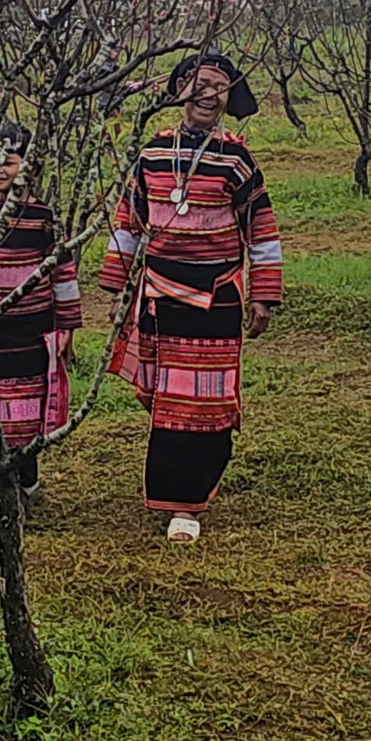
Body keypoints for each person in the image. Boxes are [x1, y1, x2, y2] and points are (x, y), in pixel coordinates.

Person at [99, 51, 283, 544]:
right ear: (180, 90)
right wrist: (117, 288)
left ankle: (189, 505)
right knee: (166, 401)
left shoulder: (237, 160)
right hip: (159, 299)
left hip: (217, 299)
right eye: (198, 84)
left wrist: (263, 295)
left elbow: (262, 231)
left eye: (217, 87)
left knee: (205, 402)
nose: (207, 95)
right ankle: (172, 489)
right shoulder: (153, 154)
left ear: (227, 98)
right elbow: (129, 222)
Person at [0, 124, 82, 525]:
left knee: (29, 413)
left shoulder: (43, 220)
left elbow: (62, 274)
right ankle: (6, 489)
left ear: (29, 166)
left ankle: (22, 486)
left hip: (34, 332)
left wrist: (66, 327)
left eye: (9, 162)